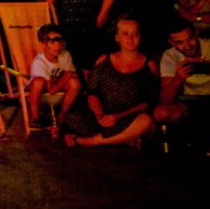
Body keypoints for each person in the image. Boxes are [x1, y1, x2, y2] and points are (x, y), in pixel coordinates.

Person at [62, 16, 159, 148]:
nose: (130, 39)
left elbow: (148, 102)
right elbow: (92, 93)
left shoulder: (149, 65)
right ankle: (126, 138)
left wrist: (118, 116)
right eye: (125, 34)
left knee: (146, 122)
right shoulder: (104, 60)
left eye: (135, 34)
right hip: (102, 115)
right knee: (70, 118)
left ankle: (88, 141)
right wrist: (100, 116)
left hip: (129, 117)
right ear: (117, 37)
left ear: (140, 37)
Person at [26, 24, 83, 131]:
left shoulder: (65, 55)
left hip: (57, 89)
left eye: (60, 41)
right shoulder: (39, 62)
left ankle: (62, 115)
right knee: (39, 81)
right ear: (43, 44)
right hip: (40, 94)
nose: (57, 46)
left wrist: (69, 75)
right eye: (52, 42)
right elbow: (51, 89)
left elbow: (72, 75)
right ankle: (35, 117)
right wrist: (68, 74)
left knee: (75, 82)